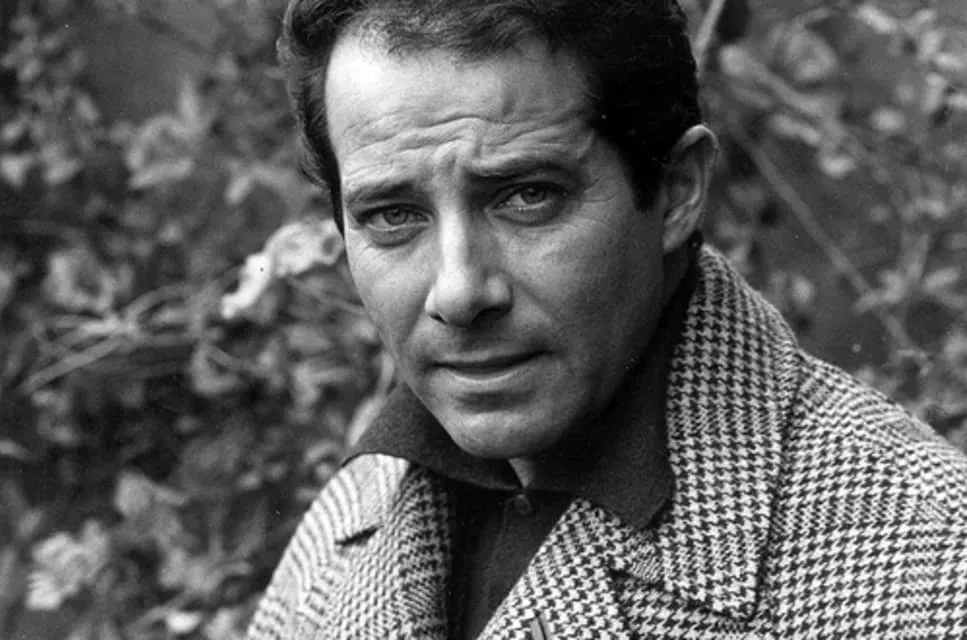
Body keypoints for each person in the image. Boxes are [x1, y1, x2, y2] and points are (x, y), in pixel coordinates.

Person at [247, 0, 967, 637]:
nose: (459, 292)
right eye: (392, 215)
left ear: (676, 191)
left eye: (527, 196)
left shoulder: (928, 573)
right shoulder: (349, 525)